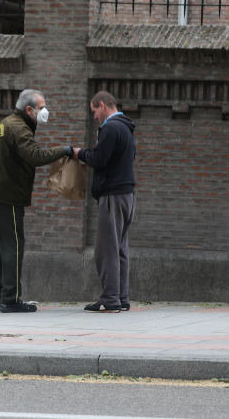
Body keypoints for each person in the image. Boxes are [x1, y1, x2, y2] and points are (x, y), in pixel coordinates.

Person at [0, 89, 73, 313]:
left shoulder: (7, 122)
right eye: (41, 107)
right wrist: (65, 150)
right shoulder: (19, 128)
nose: (45, 111)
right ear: (29, 110)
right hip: (8, 196)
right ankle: (10, 299)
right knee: (13, 245)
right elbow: (34, 156)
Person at [73, 91, 136, 313]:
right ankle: (122, 298)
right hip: (127, 196)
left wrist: (80, 153)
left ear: (102, 105)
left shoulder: (111, 128)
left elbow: (99, 159)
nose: (95, 117)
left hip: (112, 197)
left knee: (106, 250)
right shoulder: (126, 128)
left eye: (94, 111)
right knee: (120, 249)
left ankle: (110, 299)